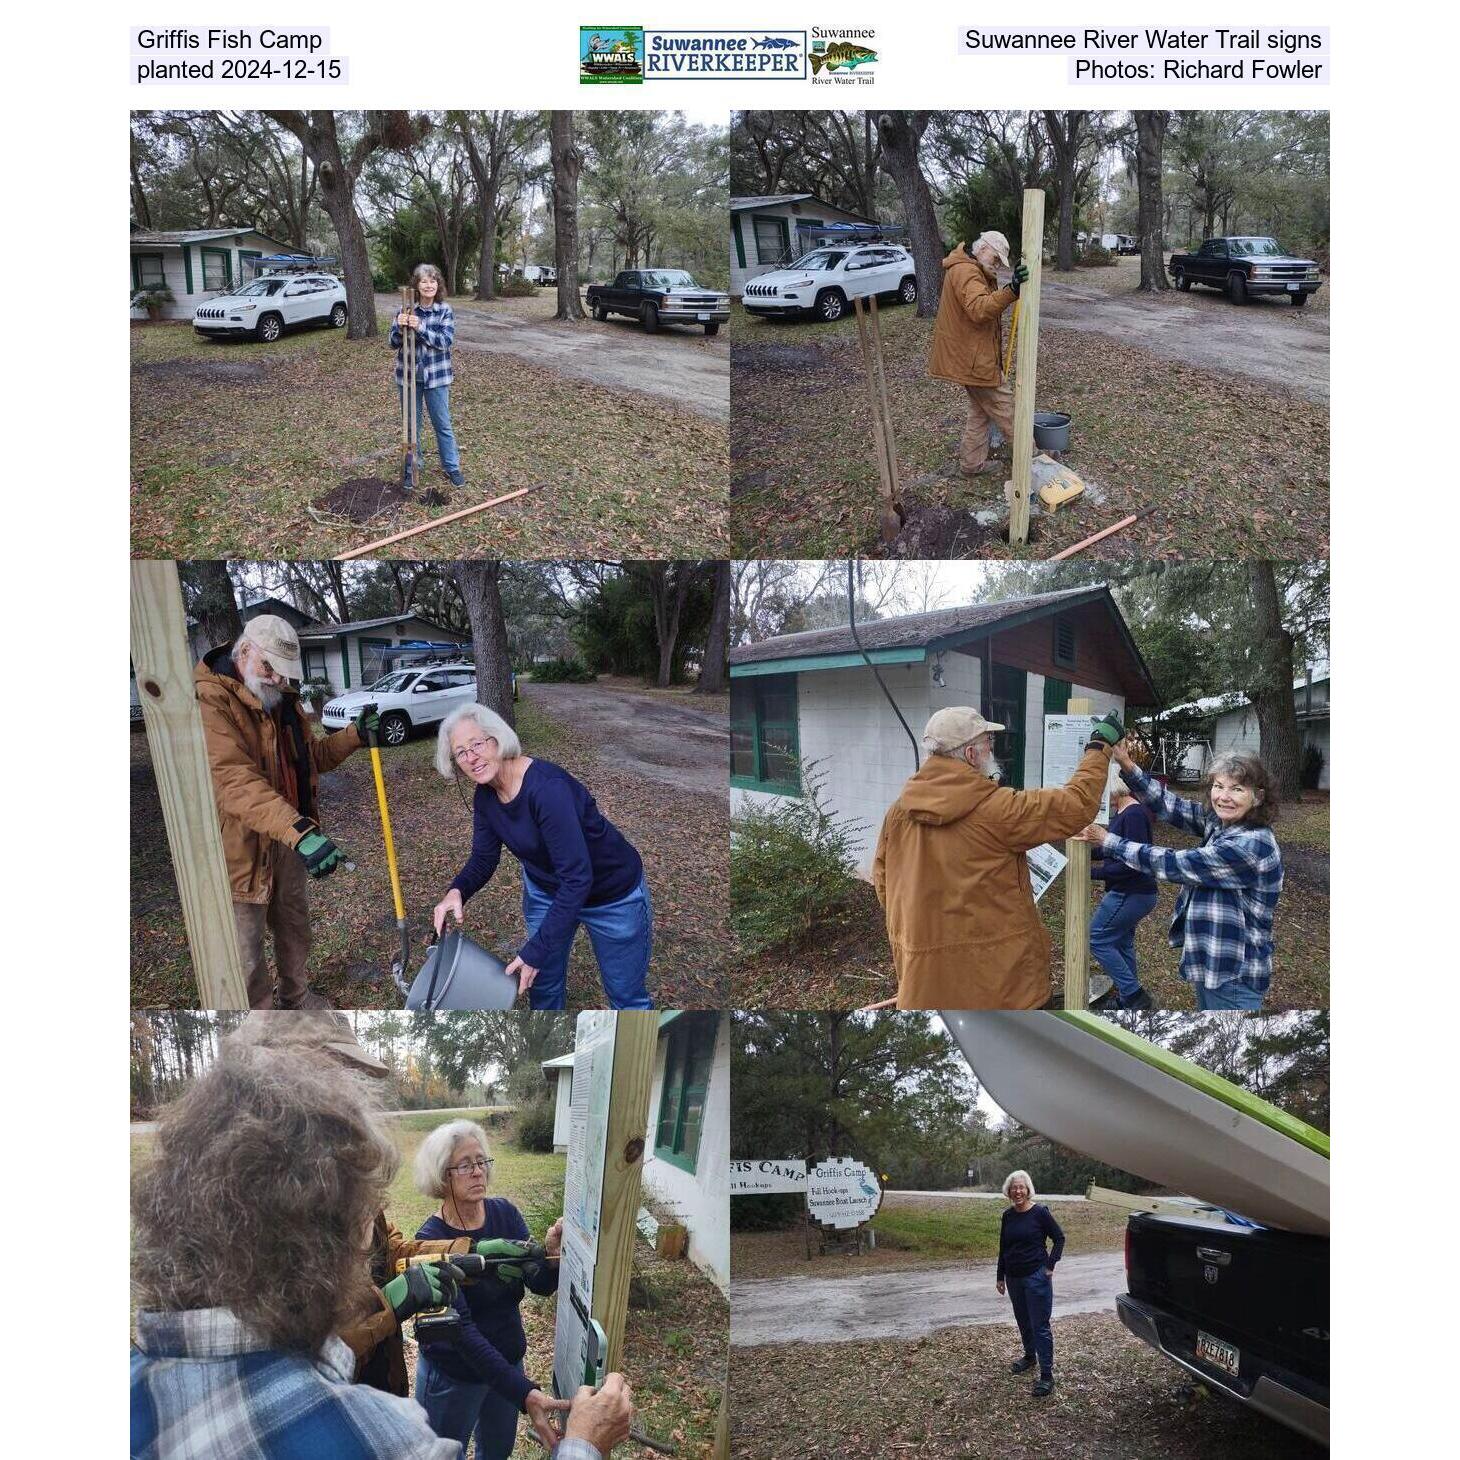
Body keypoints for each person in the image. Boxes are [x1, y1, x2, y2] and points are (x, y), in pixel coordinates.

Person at [130, 1039, 461, 1459]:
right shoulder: (392, 1441)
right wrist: (387, 1308)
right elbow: (302, 1360)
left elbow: (393, 1244)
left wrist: (468, 1248)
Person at [227, 1010, 480, 1396]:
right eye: (332, 1076)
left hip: (377, 1383)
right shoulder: (245, 1204)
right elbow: (291, 1361)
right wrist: (388, 1308)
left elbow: (388, 1250)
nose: (350, 1098)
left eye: (353, 1080)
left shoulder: (340, 1167)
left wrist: (467, 1251)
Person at [873, 706, 1123, 1009]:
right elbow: (1076, 805)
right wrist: (1099, 747)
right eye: (988, 741)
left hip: (927, 980)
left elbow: (883, 881)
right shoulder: (997, 810)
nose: (993, 748)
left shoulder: (898, 812)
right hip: (1001, 983)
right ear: (970, 755)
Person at [196, 615, 377, 1010]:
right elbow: (233, 781)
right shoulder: (211, 699)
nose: (279, 680)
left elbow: (307, 759)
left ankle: (296, 997)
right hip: (240, 846)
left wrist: (354, 737)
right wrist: (301, 831)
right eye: (269, 668)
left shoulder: (284, 701)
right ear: (244, 652)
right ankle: (261, 1020)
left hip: (290, 837)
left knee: (294, 924)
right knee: (246, 945)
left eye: (284, 673)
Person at [431, 704, 654, 1010]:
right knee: (542, 986)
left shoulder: (548, 790)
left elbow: (577, 879)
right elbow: (484, 857)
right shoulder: (485, 796)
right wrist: (456, 891)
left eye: (477, 744)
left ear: (497, 739)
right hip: (548, 892)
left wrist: (536, 950)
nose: (471, 757)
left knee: (625, 996)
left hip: (611, 896)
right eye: (460, 752)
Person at [1077, 745, 1284, 1010]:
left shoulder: (1250, 846)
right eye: (1219, 786)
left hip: (1235, 975)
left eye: (1237, 789)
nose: (1224, 796)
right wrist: (1127, 765)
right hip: (1214, 964)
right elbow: (1171, 806)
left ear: (1258, 797)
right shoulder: (1224, 824)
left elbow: (1175, 863)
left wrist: (1108, 840)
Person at [411, 1119, 568, 1456]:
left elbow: (537, 1282)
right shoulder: (429, 1242)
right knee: (441, 1454)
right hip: (453, 1377)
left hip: (507, 1366)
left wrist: (552, 1255)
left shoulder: (505, 1213)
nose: (478, 1171)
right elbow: (461, 1330)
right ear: (442, 1176)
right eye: (465, 1164)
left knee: (496, 1453)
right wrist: (523, 1391)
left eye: (481, 1161)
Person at [927, 231, 1031, 478]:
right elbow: (979, 309)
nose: (996, 265)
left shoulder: (972, 270)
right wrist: (1012, 290)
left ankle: (972, 465)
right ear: (983, 248)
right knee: (1007, 409)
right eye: (995, 258)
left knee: (980, 412)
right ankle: (1034, 459)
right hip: (973, 361)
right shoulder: (967, 272)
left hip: (972, 357)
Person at [1088, 767, 1160, 1010]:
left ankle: (1133, 994)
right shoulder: (1122, 812)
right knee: (1121, 942)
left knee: (1097, 938)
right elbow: (1114, 848)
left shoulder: (1134, 814)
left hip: (1132, 891)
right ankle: (1130, 999)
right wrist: (1086, 850)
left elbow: (1134, 866)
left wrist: (1093, 873)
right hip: (1133, 892)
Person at [390, 262, 463, 493]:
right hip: (409, 377)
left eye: (432, 281)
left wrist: (420, 328)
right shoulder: (405, 310)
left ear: (437, 284)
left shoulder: (444, 310)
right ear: (417, 285)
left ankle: (452, 467)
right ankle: (412, 467)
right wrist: (399, 328)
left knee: (442, 424)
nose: (429, 285)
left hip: (437, 378)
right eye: (424, 281)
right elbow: (392, 343)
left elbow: (445, 342)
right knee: (411, 426)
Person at [995, 1169, 1064, 1398]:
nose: (1017, 1191)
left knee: (1040, 1325)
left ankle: (1046, 1375)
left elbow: (1059, 1238)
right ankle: (1029, 1356)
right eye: (1014, 1187)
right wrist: (1000, 1276)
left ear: (1028, 1190)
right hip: (1014, 1278)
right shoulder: (1008, 1216)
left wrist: (1051, 1264)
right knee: (1023, 1320)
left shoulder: (1040, 1213)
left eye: (1021, 1187)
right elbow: (1004, 1247)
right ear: (1009, 1191)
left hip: (1036, 1276)